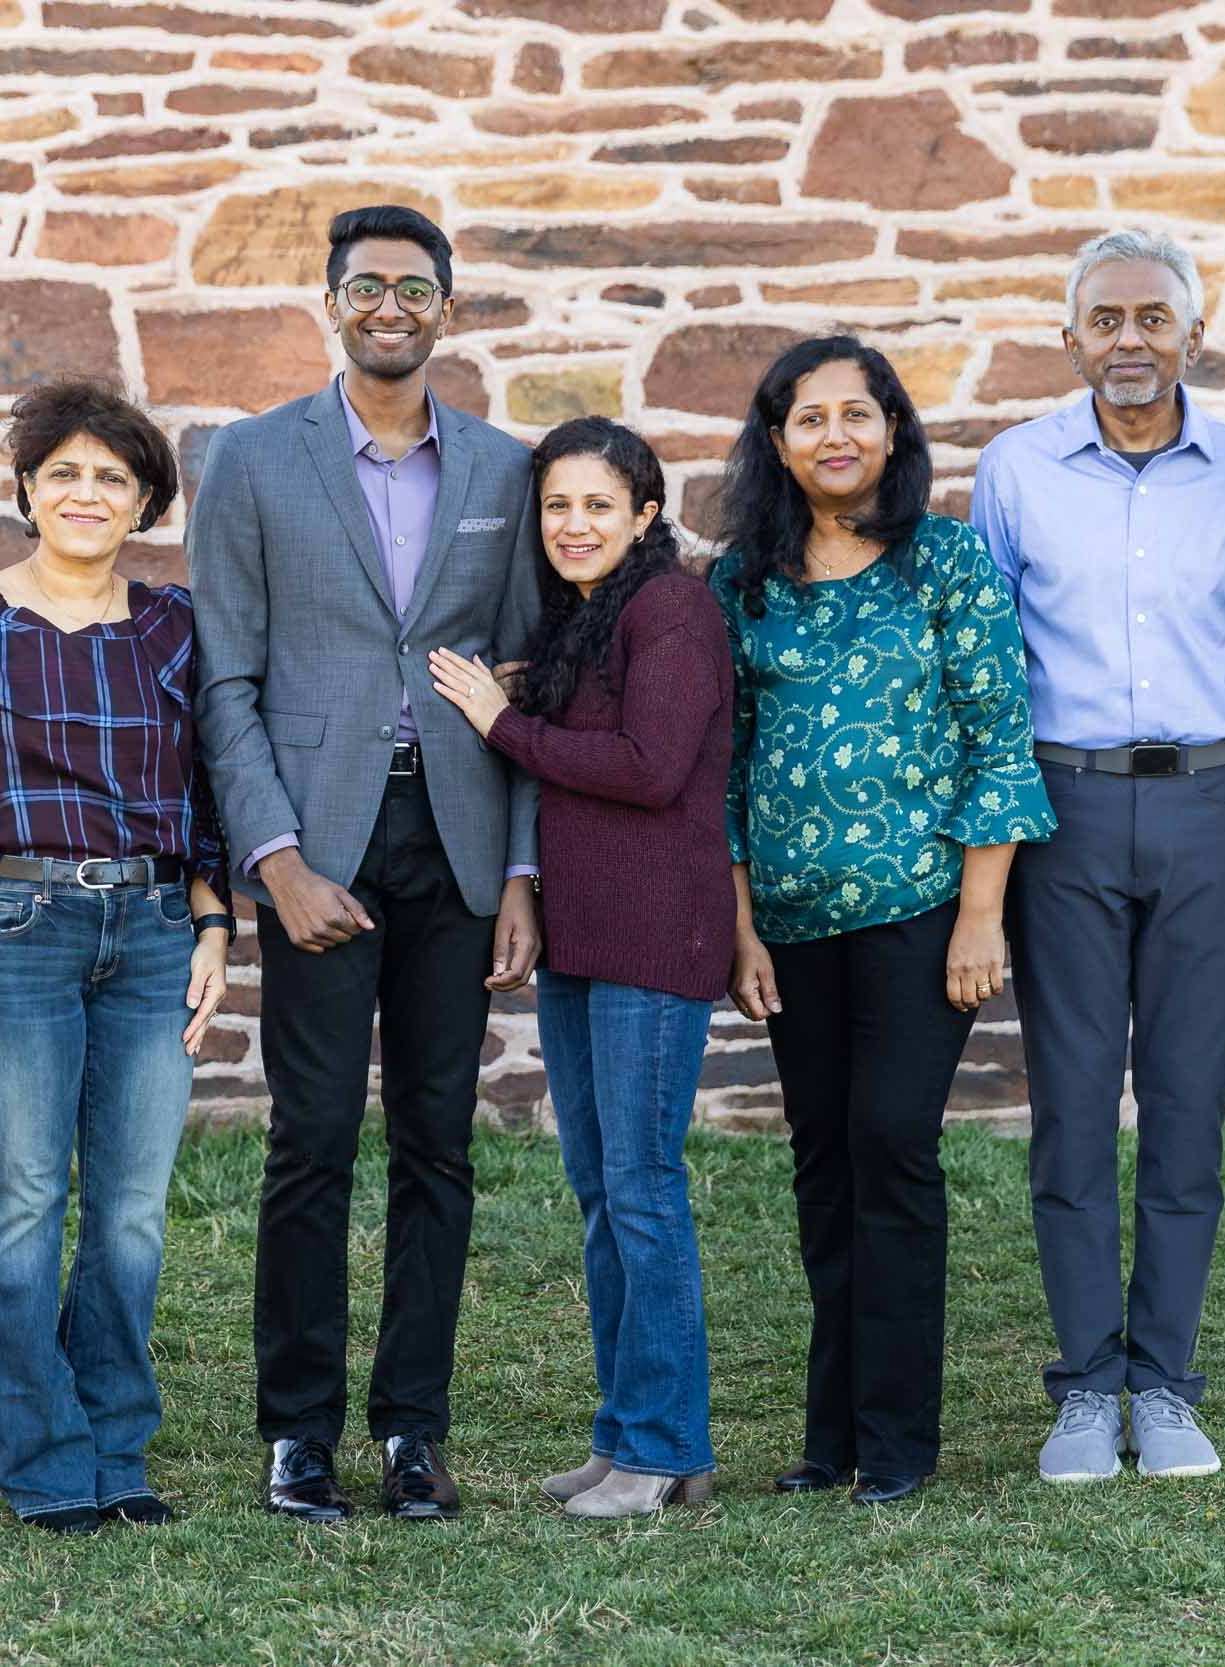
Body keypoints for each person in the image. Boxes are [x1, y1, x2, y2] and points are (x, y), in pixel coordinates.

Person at [189, 204, 543, 1524]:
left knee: (438, 1142)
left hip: (451, 840)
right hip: (318, 840)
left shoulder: (503, 471)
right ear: (329, 303)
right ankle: (297, 1428)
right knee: (316, 1133)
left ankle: (412, 1425)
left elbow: (519, 687)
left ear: (446, 310)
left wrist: (519, 873)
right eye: (365, 285)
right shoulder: (252, 460)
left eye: (414, 286)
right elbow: (225, 674)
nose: (389, 303)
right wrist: (272, 859)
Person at [716, 336, 1053, 1506]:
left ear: (894, 431)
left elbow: (995, 745)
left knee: (891, 1141)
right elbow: (729, 766)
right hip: (793, 926)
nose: (835, 437)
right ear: (775, 441)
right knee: (822, 1163)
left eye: (857, 414)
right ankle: (832, 1436)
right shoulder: (740, 581)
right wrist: (741, 926)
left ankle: (899, 1439)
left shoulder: (946, 564)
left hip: (919, 912)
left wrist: (979, 917)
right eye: (808, 419)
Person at [0, 380, 231, 1538]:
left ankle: (116, 1447)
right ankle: (43, 1459)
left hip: (149, 933)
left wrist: (215, 927)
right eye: (67, 472)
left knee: (132, 1207)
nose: (89, 493)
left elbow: (205, 793)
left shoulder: (174, 627)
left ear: (143, 503)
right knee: (26, 1198)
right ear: (29, 486)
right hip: (12, 930)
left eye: (115, 478)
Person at [970, 228, 1225, 1484]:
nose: (1130, 341)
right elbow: (989, 671)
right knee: (1075, 1102)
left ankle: (1168, 1381)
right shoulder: (1015, 468)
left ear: (1193, 336)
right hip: (1066, 805)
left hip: (1210, 800)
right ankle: (1087, 1386)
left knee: (1190, 1104)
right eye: (1106, 320)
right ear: (1071, 338)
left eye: (1154, 318)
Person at [426, 417, 733, 1520]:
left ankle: (662, 1446)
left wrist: (503, 719)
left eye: (599, 503)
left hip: (655, 938)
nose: (574, 524)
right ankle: (634, 1438)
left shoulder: (673, 610)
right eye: (557, 504)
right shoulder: (589, 617)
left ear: (646, 513)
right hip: (583, 939)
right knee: (603, 1191)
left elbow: (650, 769)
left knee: (643, 1190)